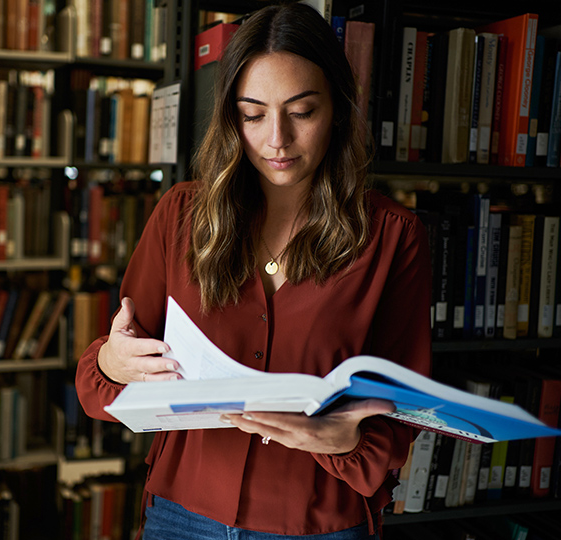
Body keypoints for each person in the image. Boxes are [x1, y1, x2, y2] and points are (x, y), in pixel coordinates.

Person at [75, 2, 432, 539]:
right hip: (181, 514)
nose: (277, 140)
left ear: (336, 107)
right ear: (231, 118)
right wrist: (114, 359)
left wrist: (349, 440)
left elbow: (405, 403)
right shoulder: (180, 214)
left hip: (315, 521)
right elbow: (108, 368)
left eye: (302, 112)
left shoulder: (392, 236)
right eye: (253, 114)